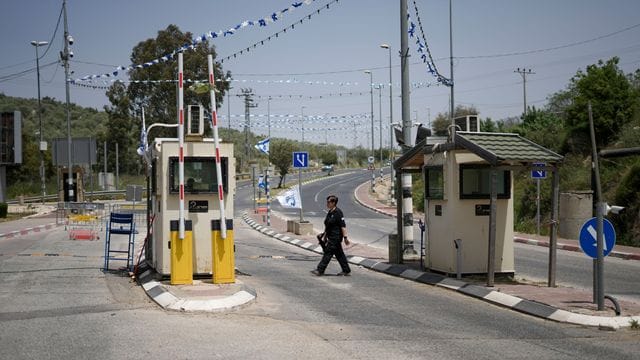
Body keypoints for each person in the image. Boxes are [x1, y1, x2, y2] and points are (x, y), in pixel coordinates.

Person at [311, 195, 351, 276]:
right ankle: (346, 269)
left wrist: (345, 238)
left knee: (328, 253)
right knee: (339, 254)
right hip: (330, 236)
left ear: (334, 203)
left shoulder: (338, 213)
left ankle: (320, 269)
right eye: (327, 202)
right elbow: (328, 226)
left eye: (329, 202)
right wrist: (324, 236)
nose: (327, 203)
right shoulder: (330, 212)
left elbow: (343, 226)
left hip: (335, 237)